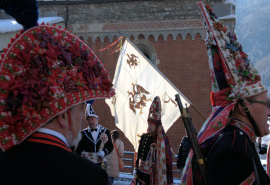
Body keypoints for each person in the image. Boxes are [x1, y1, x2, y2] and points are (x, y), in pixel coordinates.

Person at [0, 12, 115, 185]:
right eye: (80, 109)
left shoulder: (5, 162)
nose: (82, 118)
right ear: (63, 115)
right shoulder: (89, 177)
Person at [180, 2, 270, 185]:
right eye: (267, 104)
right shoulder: (234, 147)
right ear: (244, 106)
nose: (269, 111)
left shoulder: (240, 140)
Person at [133, 96, 173, 185]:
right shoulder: (144, 137)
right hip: (141, 174)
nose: (149, 126)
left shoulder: (161, 140)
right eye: (149, 124)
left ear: (157, 127)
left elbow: (167, 159)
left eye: (151, 124)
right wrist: (135, 168)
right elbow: (139, 154)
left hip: (153, 176)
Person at [76, 102, 114, 167]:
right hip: (87, 164)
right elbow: (78, 150)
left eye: (92, 119)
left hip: (101, 164)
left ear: (97, 119)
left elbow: (110, 146)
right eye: (89, 120)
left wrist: (104, 152)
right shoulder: (83, 133)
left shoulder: (105, 131)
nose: (91, 121)